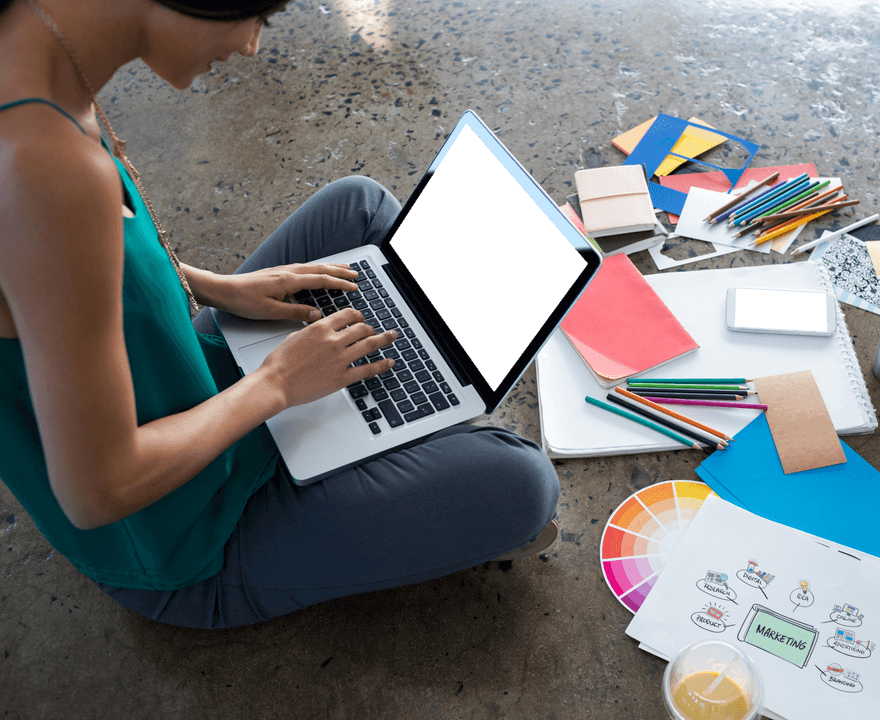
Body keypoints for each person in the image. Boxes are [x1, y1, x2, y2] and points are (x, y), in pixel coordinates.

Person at [0, 0, 560, 629]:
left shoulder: (43, 59)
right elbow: (97, 489)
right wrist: (278, 384)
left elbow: (61, 276)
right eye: (259, 15)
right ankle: (397, 416)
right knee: (524, 484)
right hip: (189, 535)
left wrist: (215, 288)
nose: (251, 45)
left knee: (359, 209)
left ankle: (395, 409)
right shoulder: (40, 171)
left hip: (186, 385)